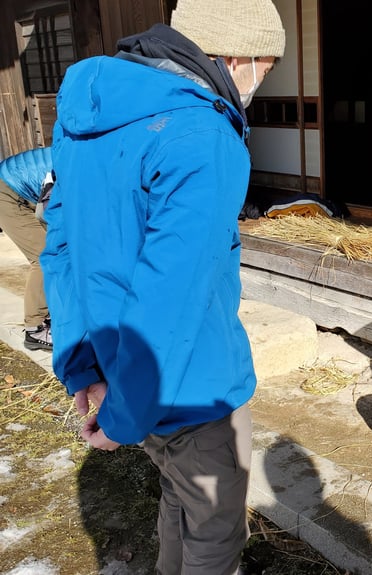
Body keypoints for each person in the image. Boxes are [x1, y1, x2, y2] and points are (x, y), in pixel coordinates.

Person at [40, 0, 284, 573]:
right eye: (266, 67)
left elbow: (62, 247)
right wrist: (122, 417)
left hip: (117, 369)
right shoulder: (204, 135)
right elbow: (170, 298)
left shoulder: (87, 114)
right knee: (215, 531)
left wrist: (83, 365)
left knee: (178, 497)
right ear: (235, 56)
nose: (260, 82)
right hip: (192, 385)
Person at [0, 147, 54, 351]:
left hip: (26, 188)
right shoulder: (80, 169)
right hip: (7, 190)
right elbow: (48, 212)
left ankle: (52, 312)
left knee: (59, 252)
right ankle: (34, 328)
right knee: (44, 257)